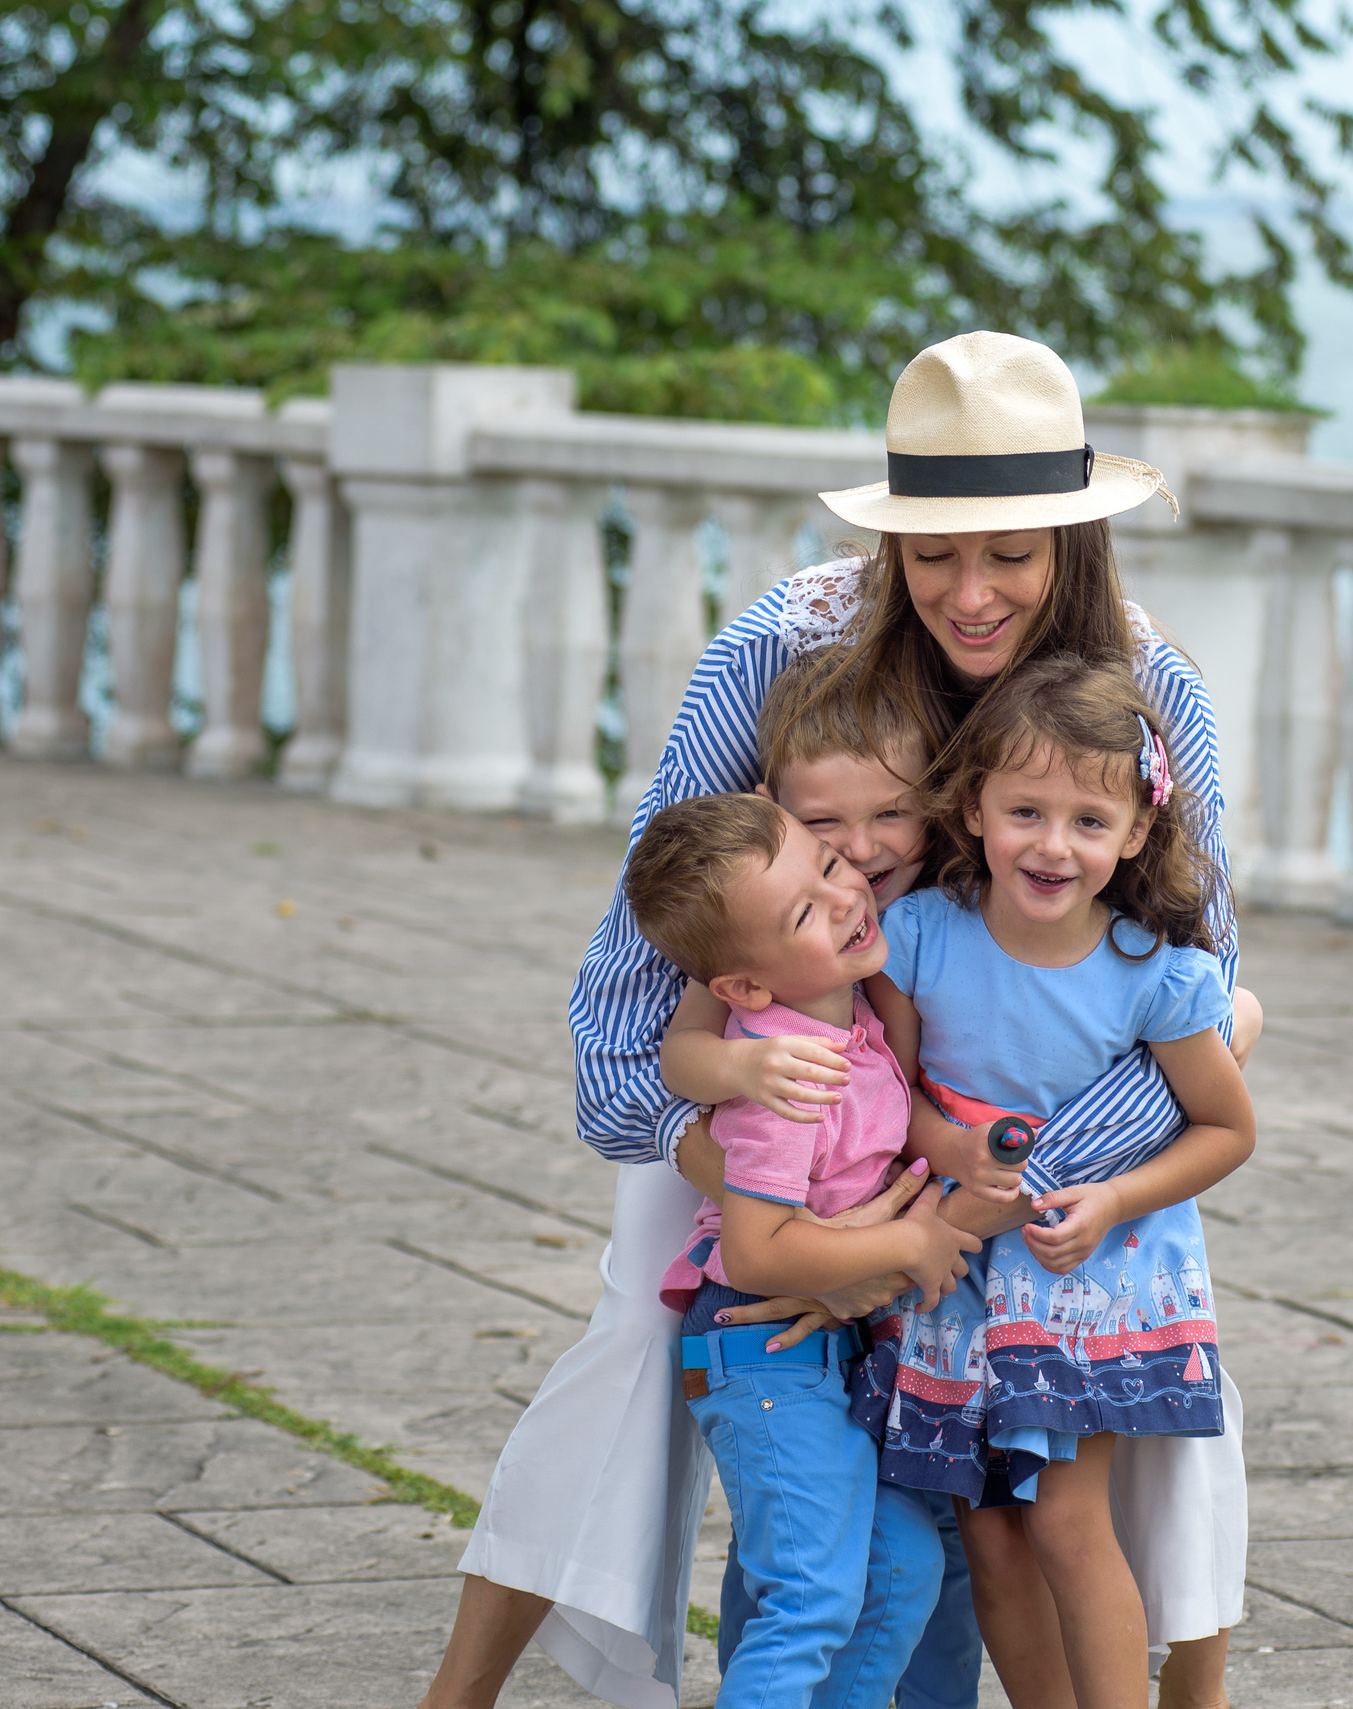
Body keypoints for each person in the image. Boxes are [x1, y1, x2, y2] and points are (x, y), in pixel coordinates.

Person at [419, 329, 1259, 1709]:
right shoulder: (780, 643)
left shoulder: (1149, 684)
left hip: (1016, 1132)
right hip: (773, 1080)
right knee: (642, 1323)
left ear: (1072, 539)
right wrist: (763, 1198)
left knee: (1150, 1357)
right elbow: (630, 975)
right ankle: (457, 1692)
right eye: (934, 554)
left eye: (1009, 552)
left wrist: (946, 1205)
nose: (970, 592)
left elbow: (1200, 961)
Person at [857, 655, 1254, 1709]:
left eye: (1089, 818)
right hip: (959, 1271)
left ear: (1135, 830)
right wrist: (958, 1158)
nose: (1051, 842)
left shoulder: (1155, 971)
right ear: (972, 805)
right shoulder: (920, 936)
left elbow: (1224, 1126)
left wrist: (1115, 1198)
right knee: (987, 1532)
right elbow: (889, 1094)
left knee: (1067, 1521)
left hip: (1085, 1272)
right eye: (1024, 809)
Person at [622, 793, 982, 1709]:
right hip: (762, 1350)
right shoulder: (788, 1072)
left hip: (826, 1350)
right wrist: (908, 1240)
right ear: (742, 985)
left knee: (901, 1570)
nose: (845, 896)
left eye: (829, 868)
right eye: (803, 913)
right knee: (813, 1596)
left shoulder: (848, 1015)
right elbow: (752, 1252)